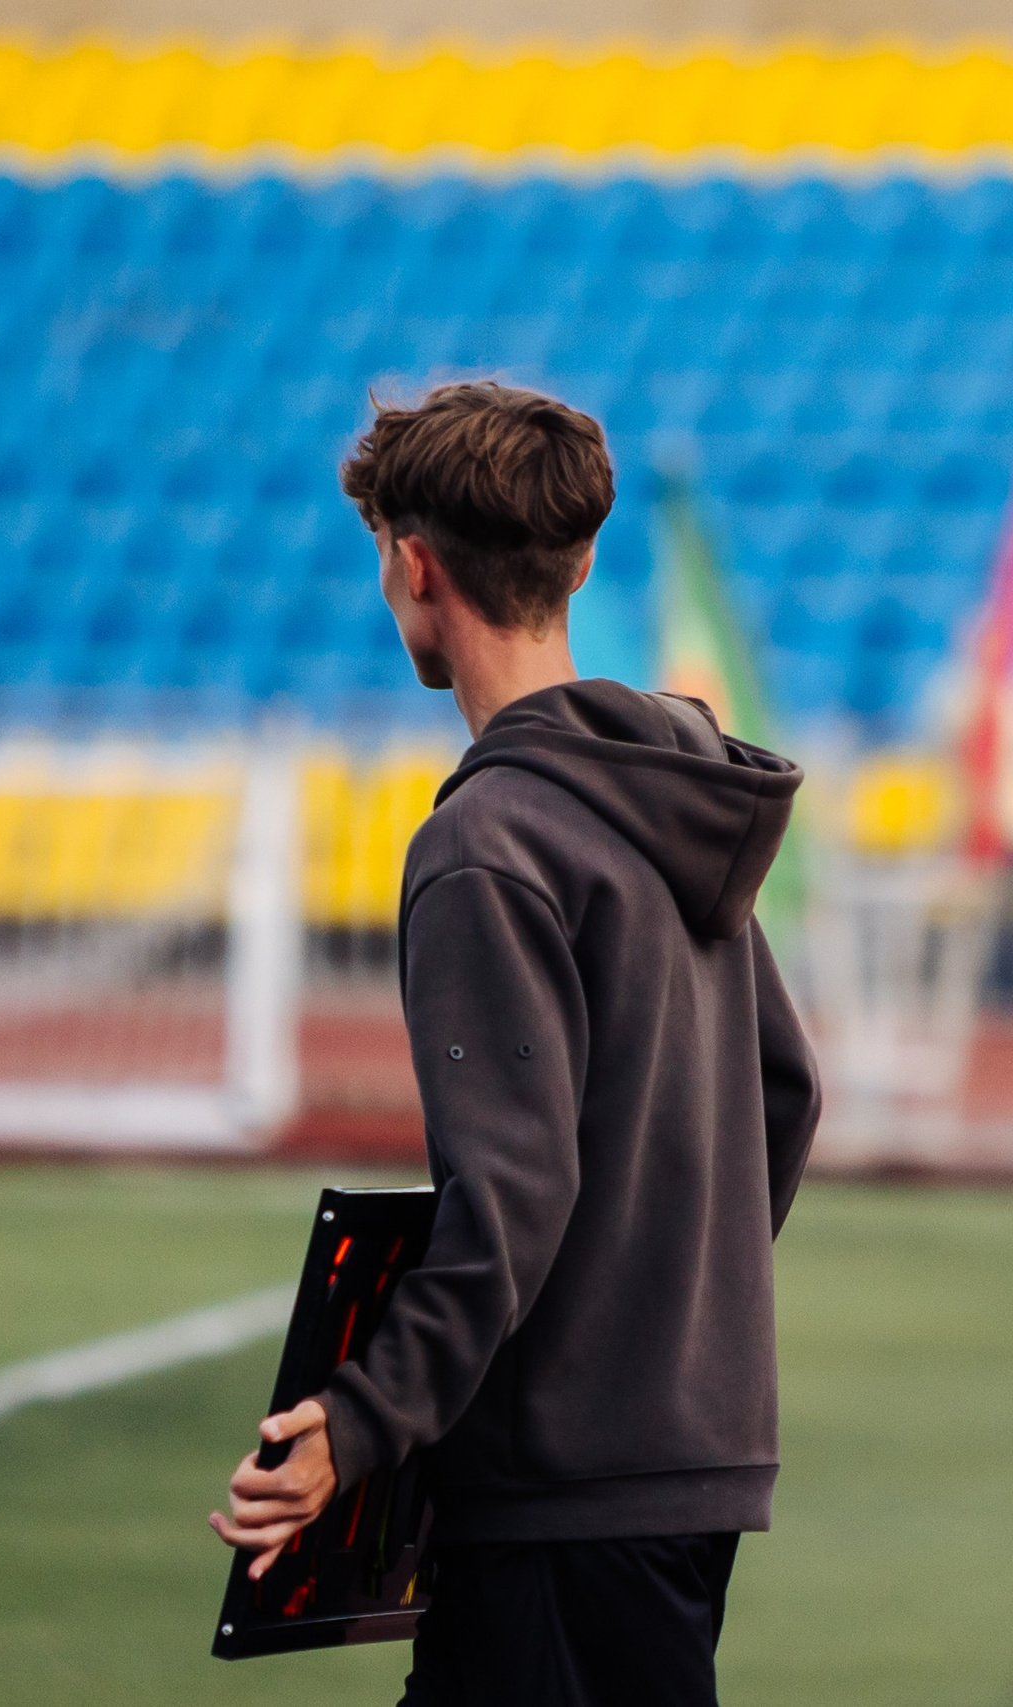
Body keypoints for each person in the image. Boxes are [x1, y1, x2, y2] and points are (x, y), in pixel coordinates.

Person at [210, 381, 822, 1707]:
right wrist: (663, 1311)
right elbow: (786, 1091)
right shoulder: (675, 787)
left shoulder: (488, 845)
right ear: (583, 562)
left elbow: (515, 1197)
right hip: (686, 1458)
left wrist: (356, 1424)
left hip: (561, 1489)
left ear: (413, 566)